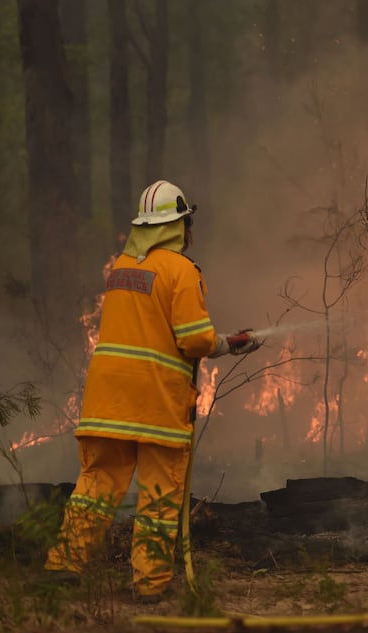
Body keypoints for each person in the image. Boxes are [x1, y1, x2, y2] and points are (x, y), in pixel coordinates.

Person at [43, 180, 261, 601]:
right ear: (177, 227)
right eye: (186, 222)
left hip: (106, 403)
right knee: (159, 495)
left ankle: (63, 565)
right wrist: (227, 344)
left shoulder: (120, 270)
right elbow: (194, 340)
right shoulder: (181, 270)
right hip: (156, 404)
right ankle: (150, 584)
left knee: (96, 485)